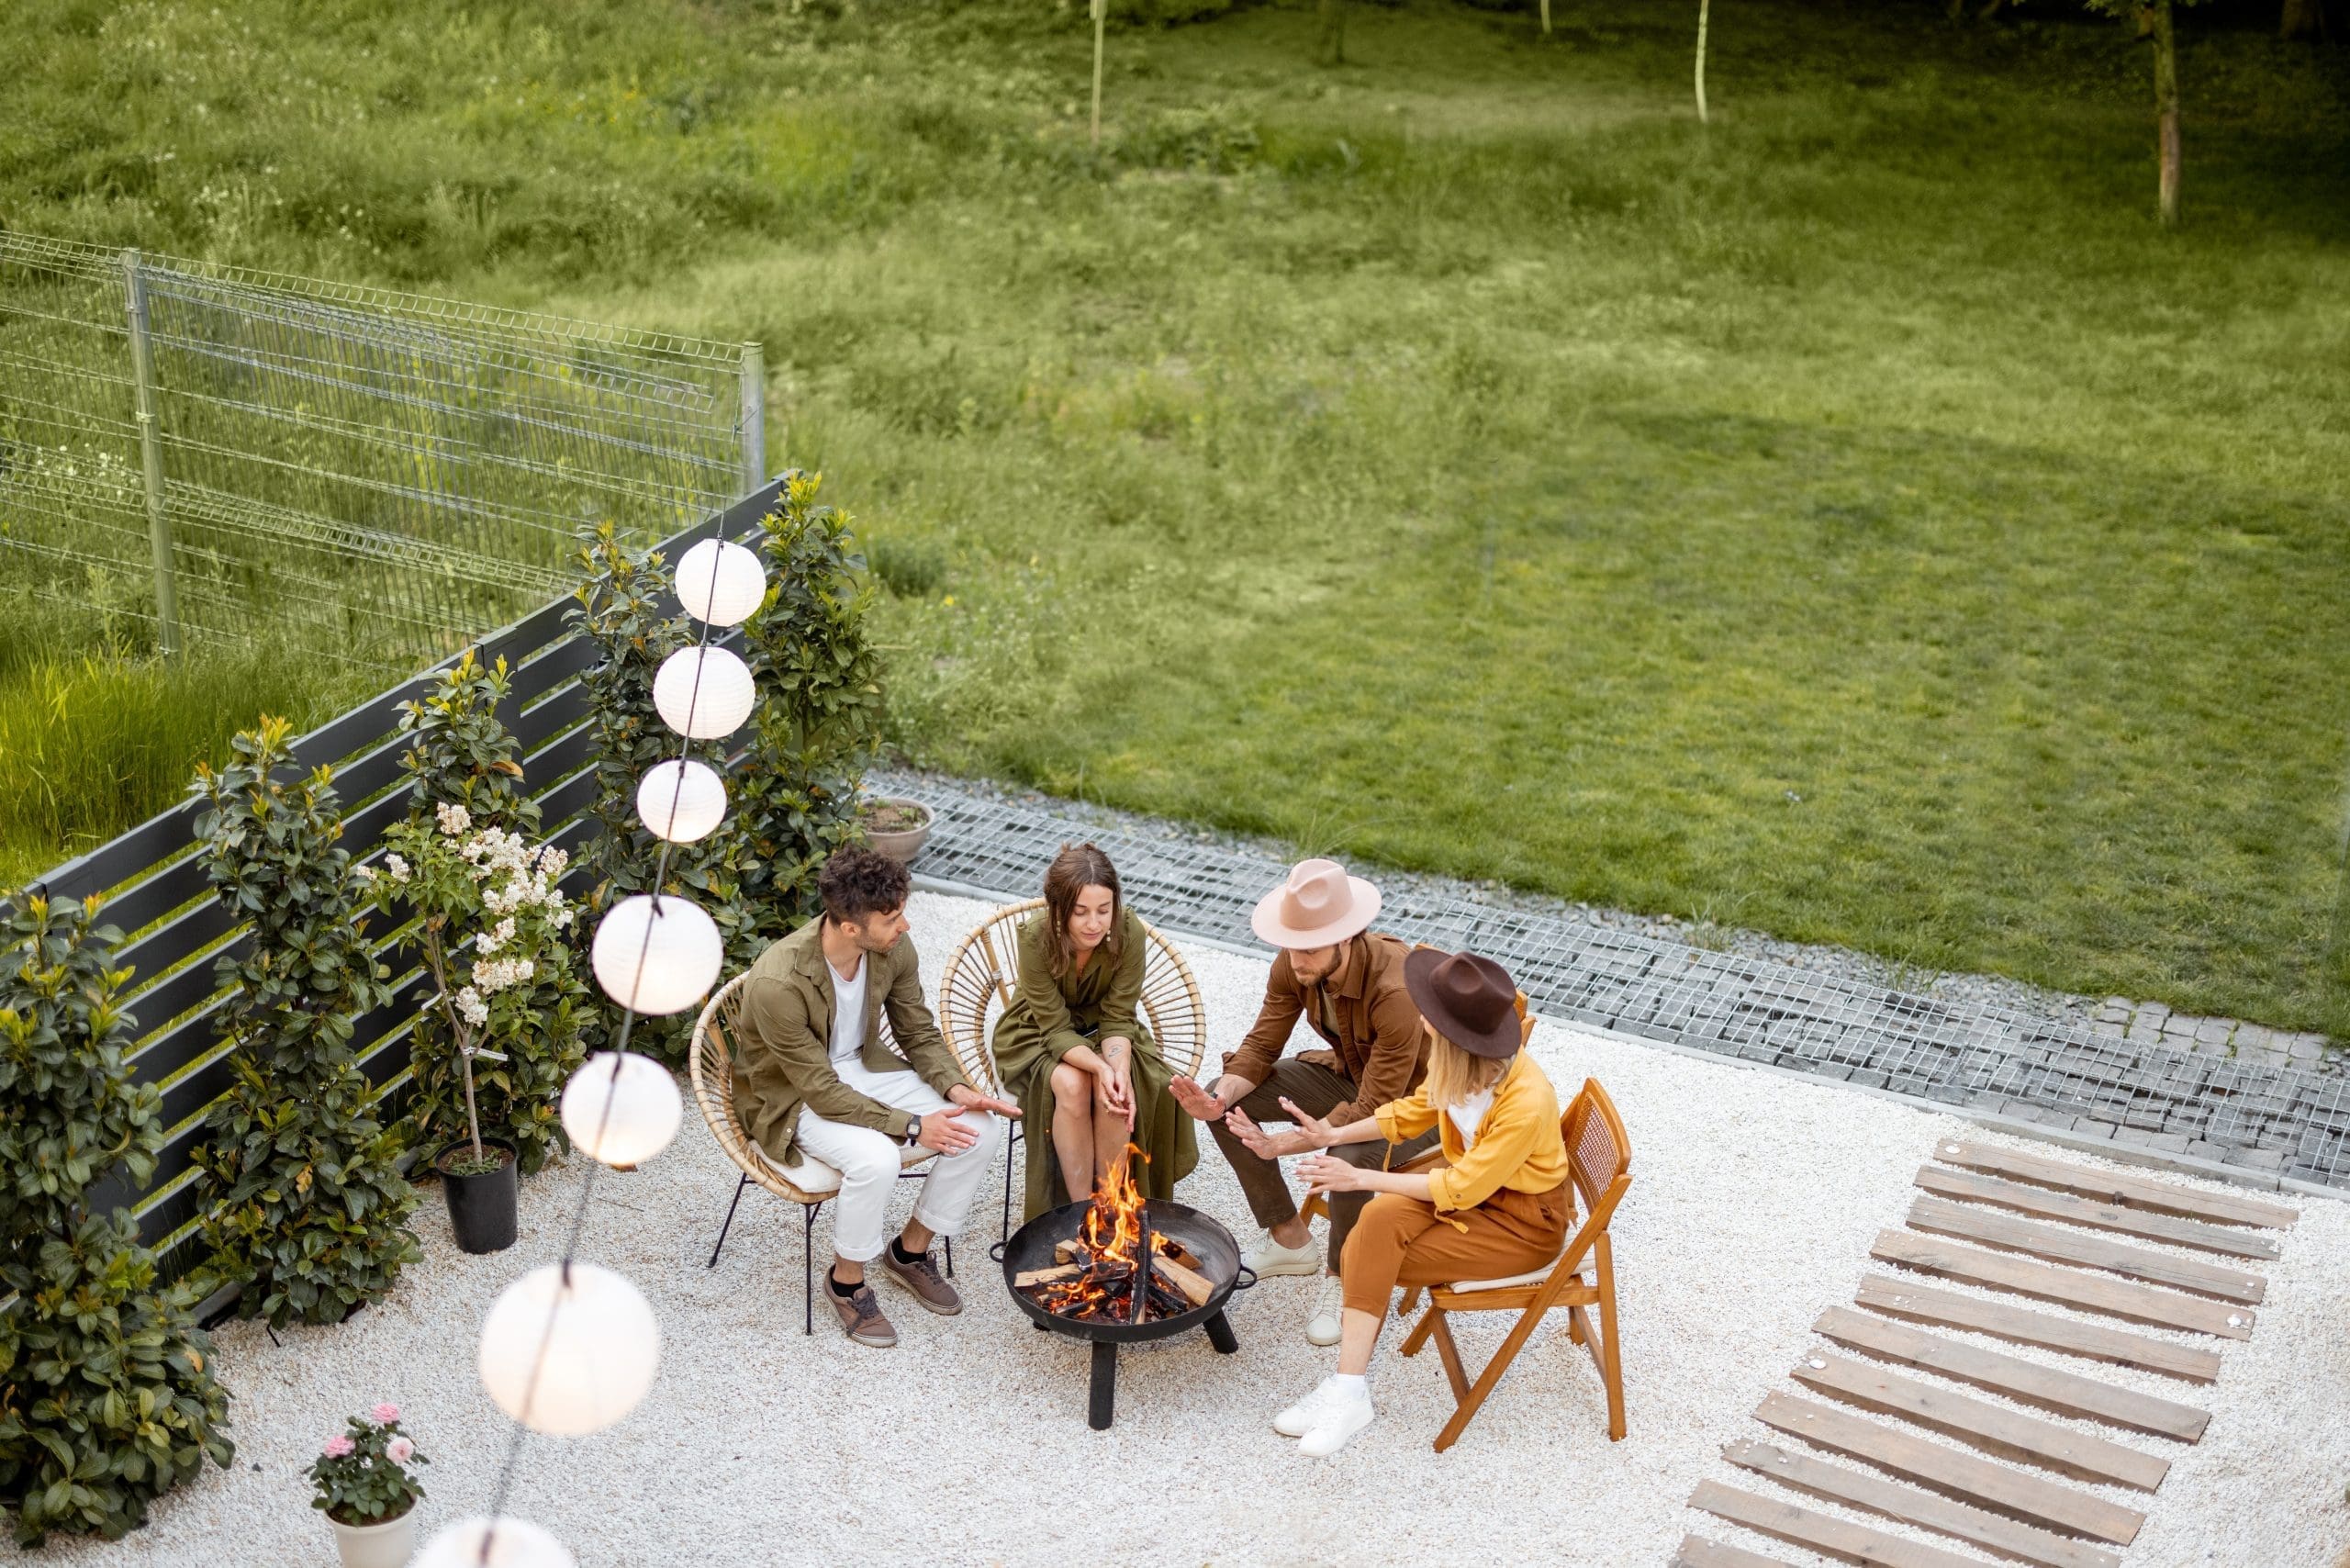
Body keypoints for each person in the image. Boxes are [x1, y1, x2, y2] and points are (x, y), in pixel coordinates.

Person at [1235, 947, 1571, 1458]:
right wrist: (1334, 1132)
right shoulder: (1462, 1067)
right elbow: (1408, 1115)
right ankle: (1348, 1389)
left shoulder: (1524, 1103)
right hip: (1477, 1193)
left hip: (1521, 1225)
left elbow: (1457, 1189)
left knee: (1368, 1252)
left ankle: (1347, 1393)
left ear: (1460, 1039)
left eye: (1431, 1017)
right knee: (1375, 1218)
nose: (1421, 1020)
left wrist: (1356, 1174)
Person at [733, 846, 1020, 1349]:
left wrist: (957, 1091)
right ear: (849, 927)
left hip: (864, 1068)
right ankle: (846, 1283)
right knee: (877, 1159)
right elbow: (820, 1091)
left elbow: (919, 1033)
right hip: (793, 1097)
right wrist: (912, 1124)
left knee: (979, 1129)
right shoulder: (778, 982)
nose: (904, 926)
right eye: (891, 918)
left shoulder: (891, 949)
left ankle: (909, 1252)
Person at [1169, 858, 1436, 1348]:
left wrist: (1286, 1142)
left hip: (1419, 1107)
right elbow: (1261, 1046)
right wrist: (1219, 1097)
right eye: (1289, 945)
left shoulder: (1396, 991)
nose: (1295, 960)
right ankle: (1290, 1238)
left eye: (1309, 948)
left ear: (1349, 938)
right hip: (1353, 1078)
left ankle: (1345, 1279)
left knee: (1347, 1156)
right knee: (1227, 1101)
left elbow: (1380, 1105)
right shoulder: (1297, 962)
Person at [990, 843, 1197, 1220]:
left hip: (1105, 1029)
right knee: (1073, 1084)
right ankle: (1079, 1210)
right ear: (1058, 908)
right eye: (1080, 912)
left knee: (1116, 1090)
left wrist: (1114, 1071)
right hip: (1035, 1030)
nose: (1094, 924)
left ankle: (1110, 1207)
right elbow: (1053, 1028)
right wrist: (1099, 1067)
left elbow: (1119, 1016)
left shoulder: (1129, 930)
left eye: (1104, 910)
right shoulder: (1035, 936)